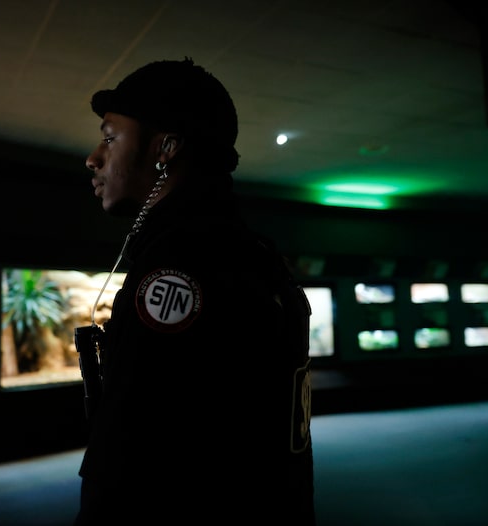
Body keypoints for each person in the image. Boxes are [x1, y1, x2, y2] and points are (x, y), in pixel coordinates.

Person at [73, 57, 316, 525]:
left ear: (164, 148)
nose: (94, 157)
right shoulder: (251, 252)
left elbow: (138, 465)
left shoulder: (178, 265)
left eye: (109, 137)